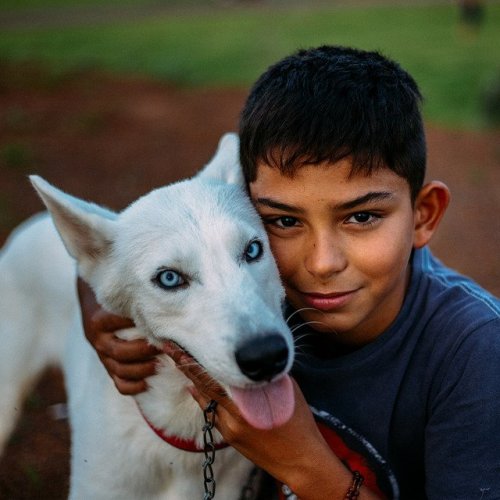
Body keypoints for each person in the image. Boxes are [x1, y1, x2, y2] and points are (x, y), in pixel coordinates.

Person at [78, 46, 500, 499]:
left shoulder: (475, 353)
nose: (322, 263)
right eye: (283, 221)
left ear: (423, 215)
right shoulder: (258, 289)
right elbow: (164, 235)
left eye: (361, 217)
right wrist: (94, 304)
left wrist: (302, 463)